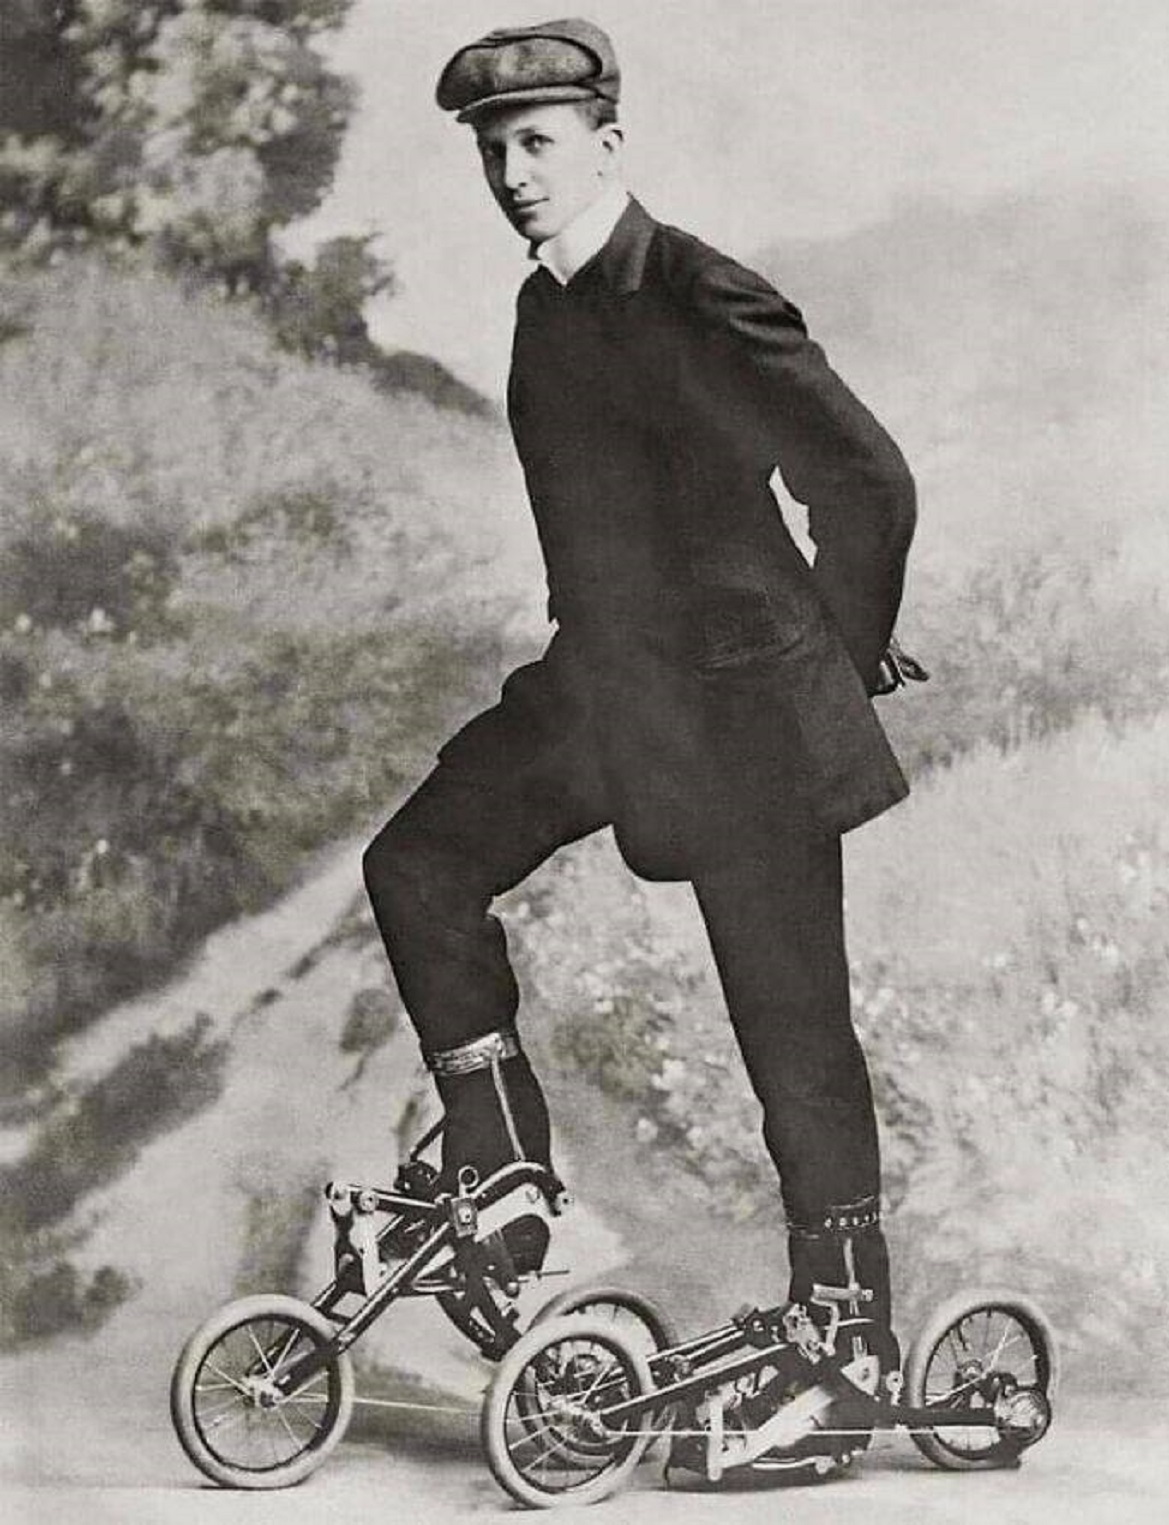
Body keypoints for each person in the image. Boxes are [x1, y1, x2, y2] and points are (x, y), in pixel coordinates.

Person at [363, 16, 921, 1384]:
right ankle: (505, 1187)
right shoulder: (543, 303)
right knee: (420, 863)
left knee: (788, 1025)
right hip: (603, 691)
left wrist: (836, 658)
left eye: (538, 144)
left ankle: (847, 1332)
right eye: (493, 152)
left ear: (608, 145)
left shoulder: (700, 292)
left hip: (740, 710)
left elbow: (868, 481)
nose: (513, 174)